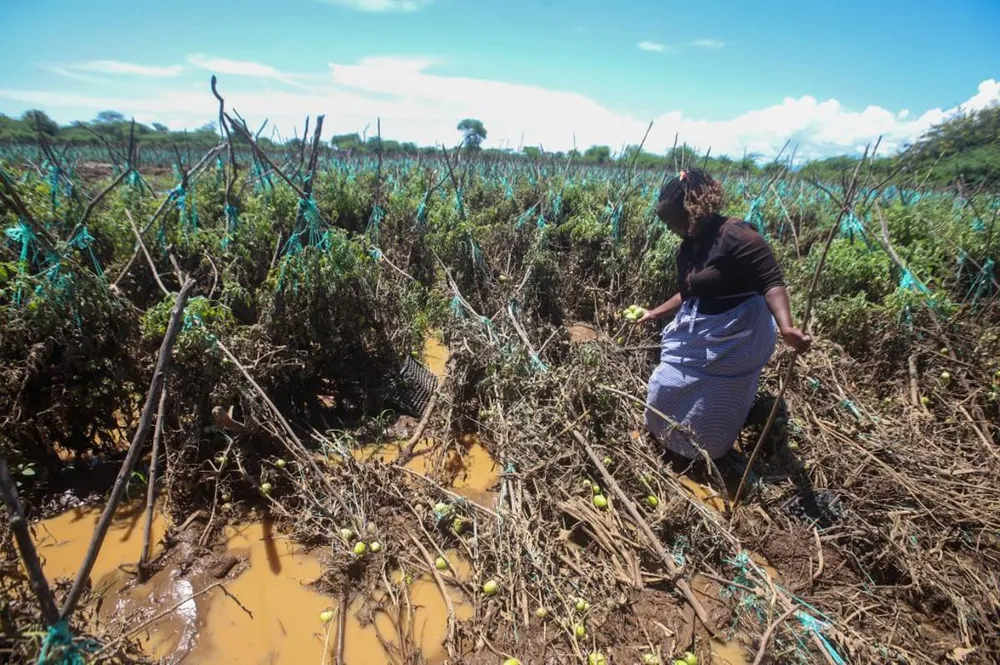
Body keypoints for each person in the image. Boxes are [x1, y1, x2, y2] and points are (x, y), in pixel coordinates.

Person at [635, 168, 811, 461]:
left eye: (668, 219)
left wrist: (787, 327)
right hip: (702, 329)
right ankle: (667, 437)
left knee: (717, 402)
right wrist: (654, 313)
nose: (666, 227)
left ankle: (703, 453)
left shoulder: (737, 235)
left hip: (738, 335)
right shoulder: (687, 247)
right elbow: (690, 291)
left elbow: (771, 281)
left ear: (690, 208)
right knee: (665, 386)